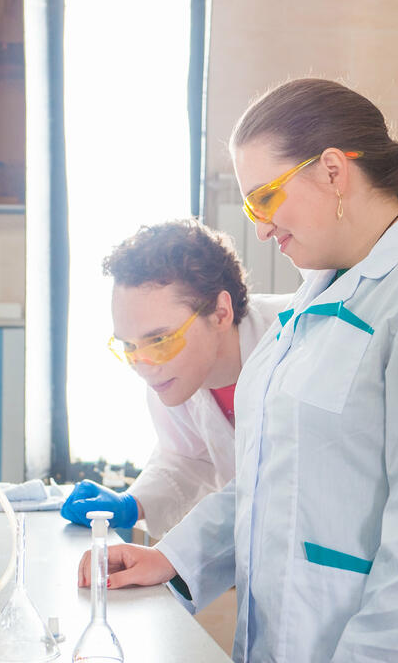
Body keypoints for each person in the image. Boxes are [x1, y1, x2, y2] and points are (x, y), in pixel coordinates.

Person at [77, 78, 398, 662]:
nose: (260, 227)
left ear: (334, 171)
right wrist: (173, 557)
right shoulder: (320, 292)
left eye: (265, 199)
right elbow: (273, 483)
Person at [60, 219, 292, 539]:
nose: (142, 365)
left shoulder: (298, 338)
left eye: (159, 340)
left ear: (221, 313)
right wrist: (132, 504)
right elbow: (185, 459)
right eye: (129, 346)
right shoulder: (174, 376)